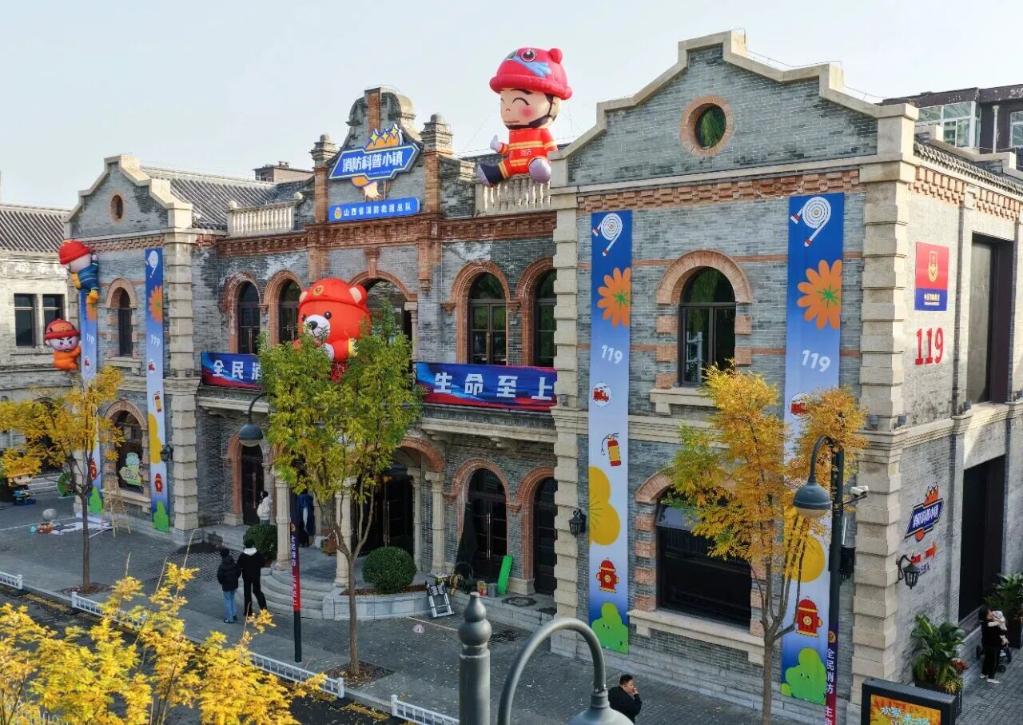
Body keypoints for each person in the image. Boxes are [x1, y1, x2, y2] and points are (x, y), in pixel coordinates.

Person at [237, 536, 268, 617]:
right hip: (256, 576)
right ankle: (264, 610)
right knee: (257, 592)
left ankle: (248, 612)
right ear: (253, 545)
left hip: (246, 577)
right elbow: (263, 563)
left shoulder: (242, 555)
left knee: (247, 594)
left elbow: (239, 565)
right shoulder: (258, 554)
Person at [980, 606, 1005, 684]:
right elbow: (1001, 629)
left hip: (986, 645)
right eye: (989, 612)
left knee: (987, 659)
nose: (991, 612)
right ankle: (991, 678)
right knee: (994, 662)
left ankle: (983, 674)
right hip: (993, 646)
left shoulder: (984, 623)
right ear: (986, 615)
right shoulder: (990, 624)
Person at [215, 548, 240, 623]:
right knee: (232, 599)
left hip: (226, 585)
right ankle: (234, 615)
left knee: (227, 601)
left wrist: (222, 582)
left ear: (221, 555)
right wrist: (235, 578)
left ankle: (229, 618)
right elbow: (238, 572)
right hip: (234, 584)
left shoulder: (222, 566)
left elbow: (219, 576)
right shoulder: (234, 563)